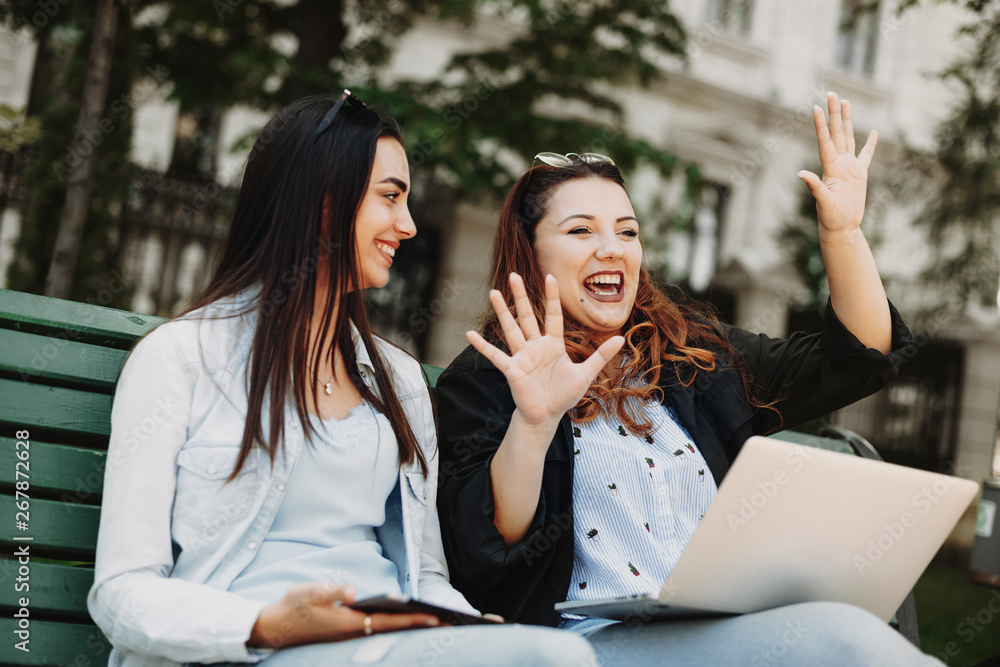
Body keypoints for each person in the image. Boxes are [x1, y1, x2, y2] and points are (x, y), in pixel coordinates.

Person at [87, 92, 597, 666]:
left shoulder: (398, 381)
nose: (406, 225)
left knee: (552, 657)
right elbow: (121, 593)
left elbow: (424, 576)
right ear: (322, 201)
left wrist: (468, 630)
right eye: (390, 197)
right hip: (246, 651)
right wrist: (270, 625)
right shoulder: (178, 359)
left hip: (383, 645)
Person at [435, 93, 943, 665]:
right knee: (843, 639)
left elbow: (859, 355)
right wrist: (534, 421)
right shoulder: (487, 378)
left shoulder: (689, 356)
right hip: (583, 646)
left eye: (627, 232)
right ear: (529, 253)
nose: (612, 249)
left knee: (843, 630)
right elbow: (484, 551)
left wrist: (843, 232)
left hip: (716, 632)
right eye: (581, 231)